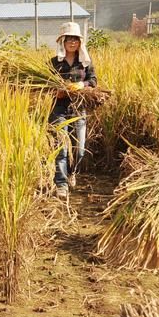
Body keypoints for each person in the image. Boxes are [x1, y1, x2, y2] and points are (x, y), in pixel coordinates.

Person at [50, 22, 97, 199]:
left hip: (79, 109)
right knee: (61, 148)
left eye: (75, 39)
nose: (72, 42)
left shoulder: (84, 62)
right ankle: (61, 183)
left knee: (80, 149)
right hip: (59, 109)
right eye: (68, 39)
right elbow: (45, 86)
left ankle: (72, 173)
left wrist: (81, 84)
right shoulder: (54, 63)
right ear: (62, 41)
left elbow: (93, 81)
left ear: (79, 42)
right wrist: (57, 92)